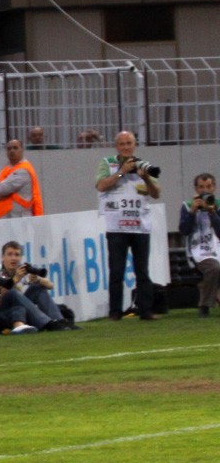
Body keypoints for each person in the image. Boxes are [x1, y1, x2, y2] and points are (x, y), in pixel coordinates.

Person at [95, 131, 161, 321]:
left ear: (134, 145)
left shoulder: (143, 164)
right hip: (116, 226)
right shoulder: (107, 163)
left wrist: (146, 178)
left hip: (140, 225)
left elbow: (156, 193)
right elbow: (101, 185)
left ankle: (145, 310)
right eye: (122, 144)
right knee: (116, 271)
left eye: (129, 143)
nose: (125, 147)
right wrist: (121, 171)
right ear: (117, 146)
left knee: (142, 271)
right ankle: (115, 311)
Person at [0, 240, 72, 330]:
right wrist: (15, 279)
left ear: (21, 257)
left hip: (22, 310)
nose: (13, 258)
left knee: (36, 287)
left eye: (17, 255)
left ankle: (60, 322)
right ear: (2, 257)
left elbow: (50, 285)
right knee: (13, 293)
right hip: (3, 312)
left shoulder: (21, 270)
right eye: (9, 254)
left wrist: (38, 279)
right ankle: (48, 324)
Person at [178, 172, 220, 317]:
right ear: (196, 189)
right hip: (199, 250)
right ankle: (204, 305)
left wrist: (212, 212)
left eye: (208, 186)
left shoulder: (217, 205)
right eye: (201, 187)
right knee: (214, 268)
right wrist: (192, 212)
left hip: (216, 245)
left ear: (214, 188)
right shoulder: (187, 206)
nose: (205, 190)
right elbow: (184, 230)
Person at [0, 139, 44, 219]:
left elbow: (2, 189)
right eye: (9, 148)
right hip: (7, 218)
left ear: (22, 149)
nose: (12, 151)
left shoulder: (23, 170)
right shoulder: (7, 169)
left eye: (15, 148)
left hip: (21, 219)